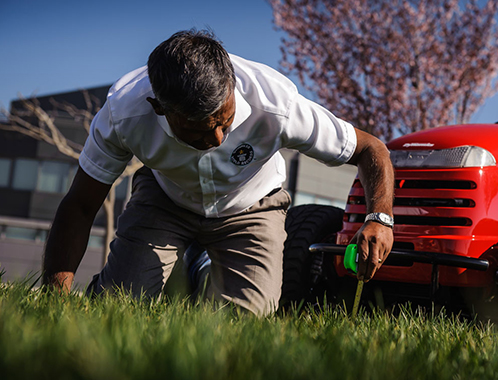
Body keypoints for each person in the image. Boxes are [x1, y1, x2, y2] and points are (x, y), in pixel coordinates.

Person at [42, 29, 394, 315]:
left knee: (245, 321)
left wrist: (379, 217)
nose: (216, 139)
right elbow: (80, 206)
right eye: (197, 132)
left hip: (251, 205)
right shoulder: (123, 114)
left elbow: (370, 149)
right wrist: (53, 302)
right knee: (117, 308)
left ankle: (201, 268)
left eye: (225, 122)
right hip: (165, 200)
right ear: (159, 108)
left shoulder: (277, 104)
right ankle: (184, 264)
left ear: (232, 85)